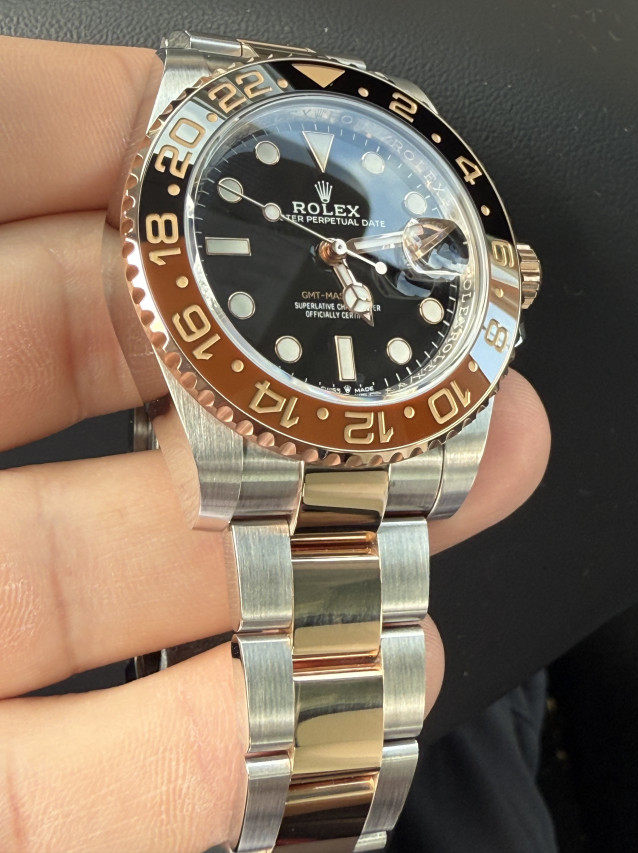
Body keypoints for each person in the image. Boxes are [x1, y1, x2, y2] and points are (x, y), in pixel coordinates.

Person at [0, 36, 550, 852]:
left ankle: (313, 810)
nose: (333, 248)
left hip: (396, 426)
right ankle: (306, 811)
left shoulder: (403, 196)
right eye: (326, 245)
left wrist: (358, 255)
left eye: (340, 241)